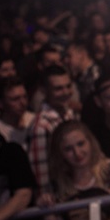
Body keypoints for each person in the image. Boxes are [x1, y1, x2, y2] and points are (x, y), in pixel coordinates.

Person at [26, 65, 76, 196]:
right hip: (58, 196)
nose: (66, 92)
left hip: (73, 189)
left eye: (68, 86)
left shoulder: (69, 114)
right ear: (44, 90)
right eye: (58, 89)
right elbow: (40, 173)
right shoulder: (41, 126)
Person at [0, 78, 35, 149]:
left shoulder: (34, 121)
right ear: (0, 103)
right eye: (15, 99)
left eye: (25, 97)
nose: (23, 103)